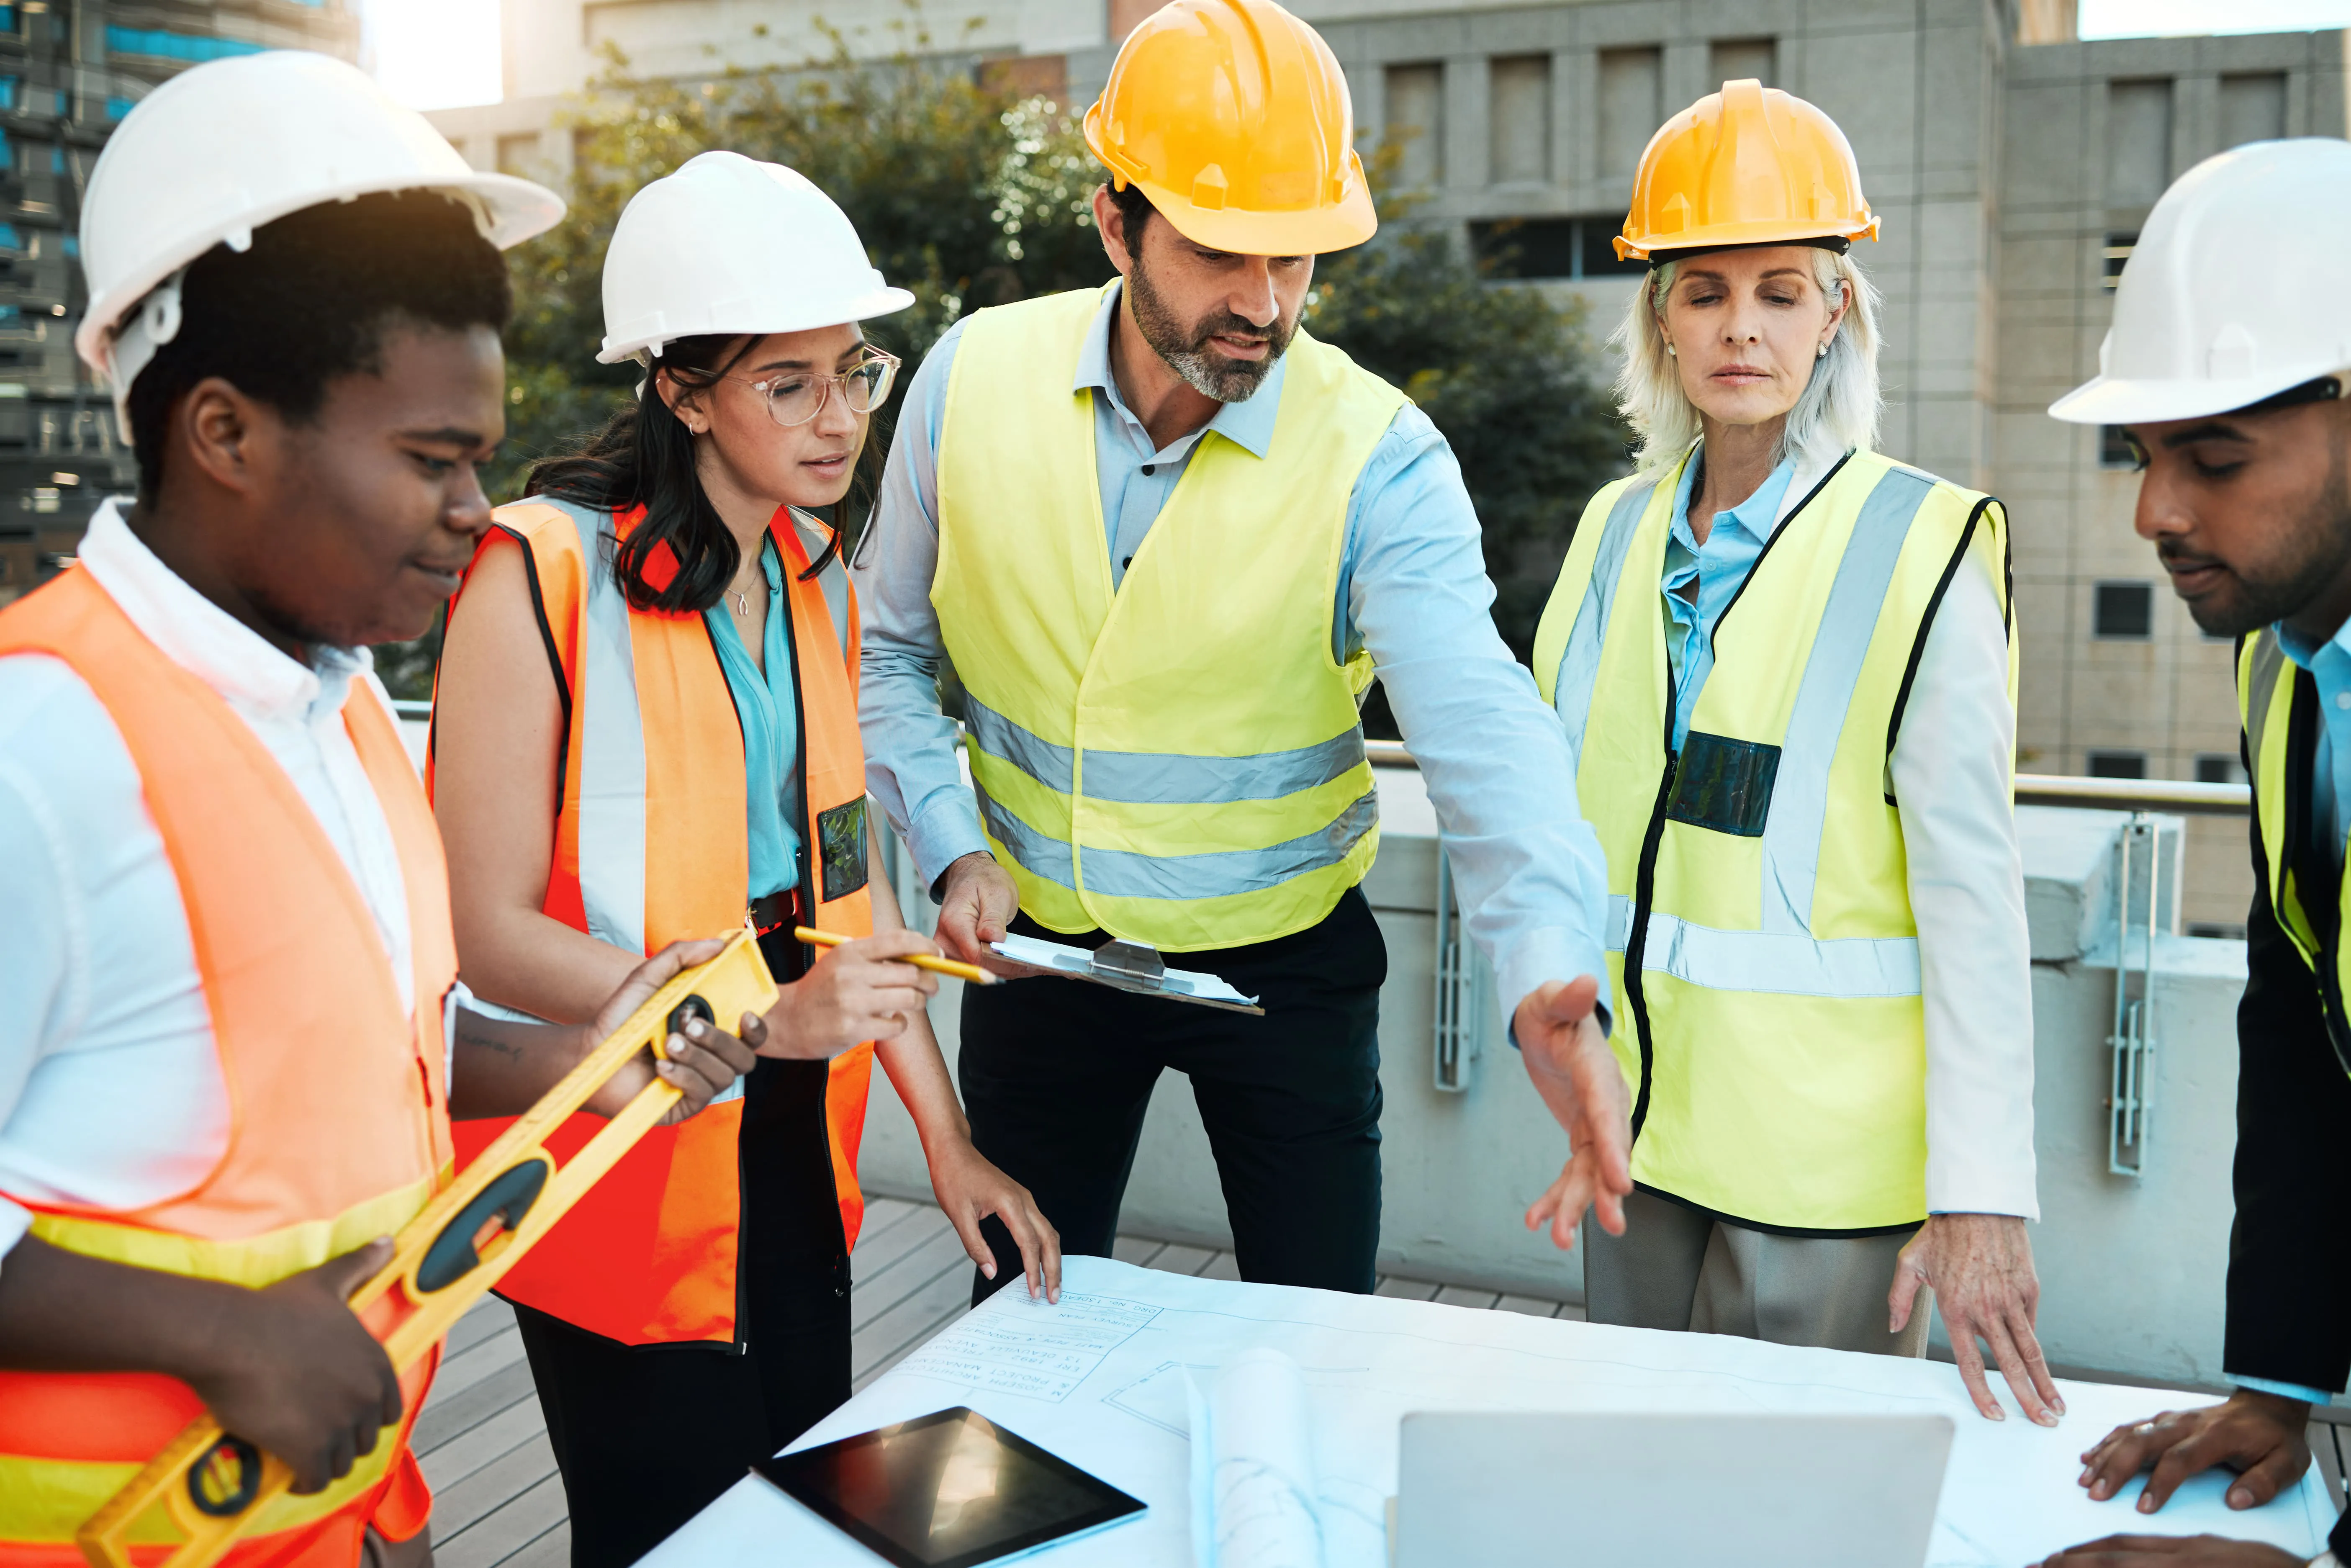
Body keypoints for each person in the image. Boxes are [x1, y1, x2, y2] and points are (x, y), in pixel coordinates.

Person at [0, 53, 765, 1568]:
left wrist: (590, 1060)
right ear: (223, 434)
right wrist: (217, 1336)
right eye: (432, 462)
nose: (477, 511)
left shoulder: (339, 696)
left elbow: (370, 1044)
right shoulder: (45, 743)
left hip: (347, 1516)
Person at [856, 0, 1630, 1304]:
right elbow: (880, 658)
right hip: (1041, 954)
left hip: (1286, 969)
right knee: (1024, 1331)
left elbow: (1482, 723)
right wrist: (953, 842)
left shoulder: (1381, 455)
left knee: (1320, 1328)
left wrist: (1550, 961)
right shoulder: (966, 381)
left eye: (1298, 260)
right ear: (1116, 224)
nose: (1262, 307)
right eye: (1222, 253)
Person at [430, 149, 1059, 1568]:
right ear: (682, 386)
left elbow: (849, 888)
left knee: (800, 1532)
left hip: (792, 1144)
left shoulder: (815, 571)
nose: (839, 420)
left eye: (855, 372)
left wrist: (946, 1144)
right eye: (790, 384)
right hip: (620, 1144)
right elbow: (482, 931)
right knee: (664, 1543)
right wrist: (762, 1016)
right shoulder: (534, 569)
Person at [1527, 78, 2056, 1425]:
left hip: (1830, 1181)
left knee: (1804, 1505)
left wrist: (1982, 1193)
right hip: (1635, 1131)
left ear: (1837, 316)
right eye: (1703, 290)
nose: (1740, 326)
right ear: (1662, 319)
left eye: (1780, 289)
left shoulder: (1926, 543)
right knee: (1633, 1474)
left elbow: (1972, 897)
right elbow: (1543, 799)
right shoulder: (1612, 532)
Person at [2036, 139, 2351, 1568]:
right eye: (2148, 458)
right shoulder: (2288, 660)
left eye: (2213, 460)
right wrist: (2282, 1381)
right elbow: (2302, 1023)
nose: (2157, 515)